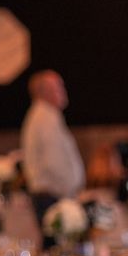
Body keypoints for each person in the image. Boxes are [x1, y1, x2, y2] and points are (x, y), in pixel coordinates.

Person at [21, 70, 85, 222]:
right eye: (59, 87)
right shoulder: (45, 118)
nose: (63, 91)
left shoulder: (42, 115)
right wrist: (70, 191)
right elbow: (54, 160)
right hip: (53, 198)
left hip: (51, 196)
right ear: (45, 92)